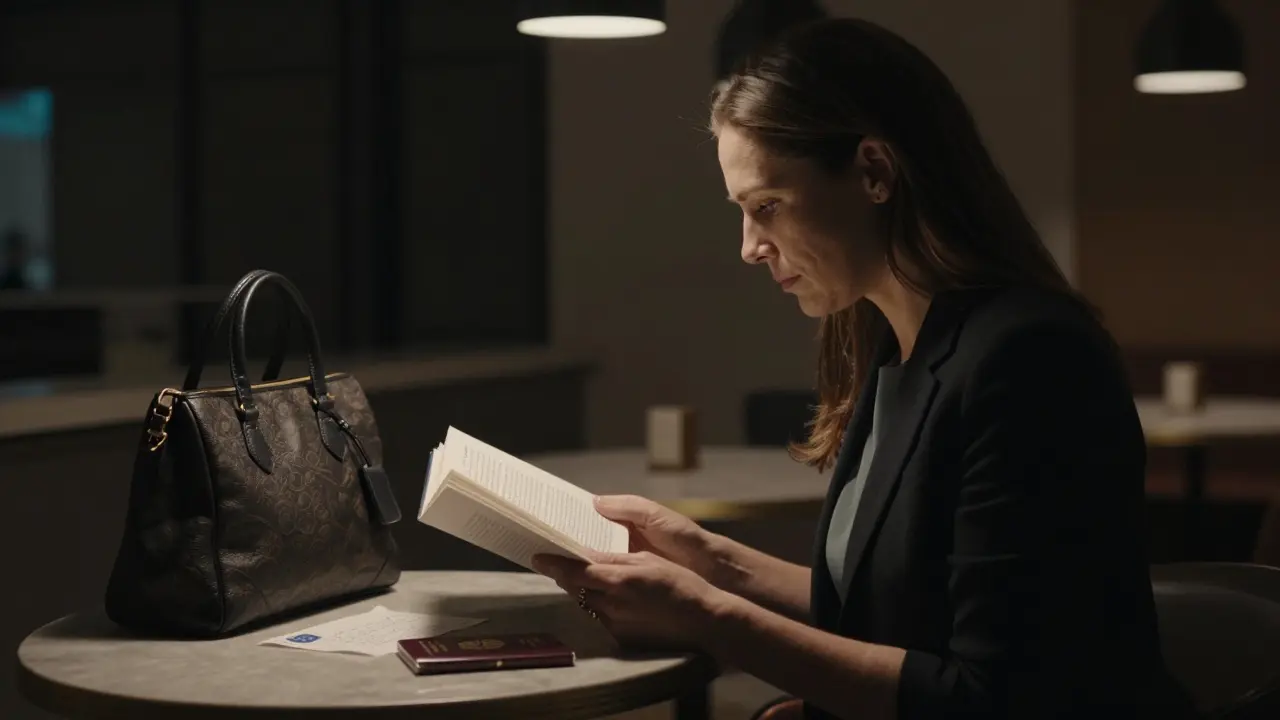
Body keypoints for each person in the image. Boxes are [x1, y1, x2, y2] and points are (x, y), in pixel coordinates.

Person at [531, 17, 1201, 720]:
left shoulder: (1031, 361)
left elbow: (998, 697)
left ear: (875, 172)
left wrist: (710, 618)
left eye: (768, 207)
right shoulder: (901, 347)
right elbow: (881, 607)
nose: (749, 247)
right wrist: (709, 560)